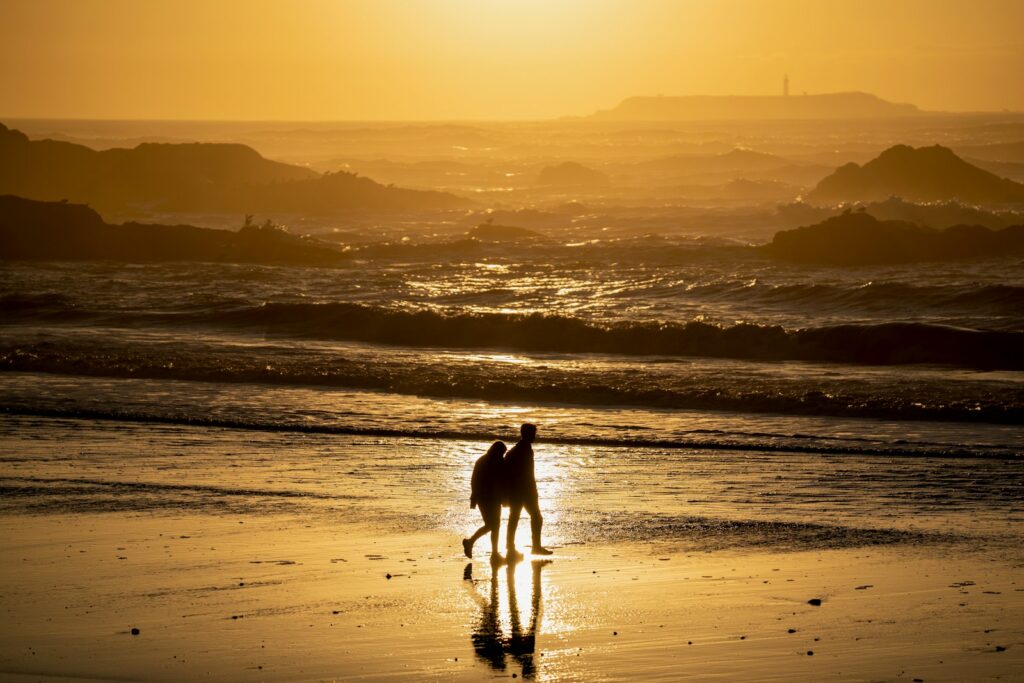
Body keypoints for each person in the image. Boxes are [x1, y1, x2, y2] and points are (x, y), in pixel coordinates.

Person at [504, 423, 553, 560]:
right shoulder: (523, 450)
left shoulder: (516, 450)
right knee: (534, 517)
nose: (535, 436)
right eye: (533, 434)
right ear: (527, 434)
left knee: (515, 518)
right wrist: (533, 490)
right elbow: (527, 474)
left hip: (517, 491)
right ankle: (533, 547)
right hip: (524, 491)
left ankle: (512, 547)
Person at [463, 441, 507, 565]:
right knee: (492, 526)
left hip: (488, 498)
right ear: (497, 451)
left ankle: (494, 553)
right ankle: (471, 542)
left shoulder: (483, 460)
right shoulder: (495, 461)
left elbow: (474, 481)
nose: (503, 455)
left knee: (494, 526)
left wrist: (474, 497)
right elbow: (501, 480)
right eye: (502, 453)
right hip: (488, 498)